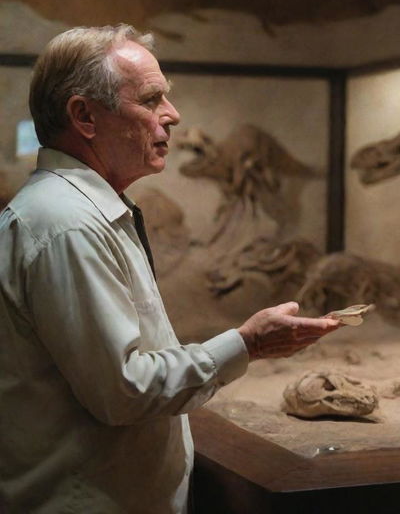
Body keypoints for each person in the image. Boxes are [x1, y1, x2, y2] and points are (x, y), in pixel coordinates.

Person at [0, 25, 339, 513]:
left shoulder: (86, 212)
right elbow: (124, 389)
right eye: (152, 98)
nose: (172, 116)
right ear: (84, 116)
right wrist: (246, 343)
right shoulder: (67, 225)